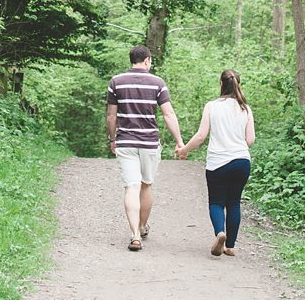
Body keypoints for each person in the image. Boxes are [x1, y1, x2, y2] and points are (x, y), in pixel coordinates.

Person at [106, 44, 184, 252]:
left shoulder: (116, 82)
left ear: (132, 60)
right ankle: (142, 225)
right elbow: (168, 114)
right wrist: (179, 141)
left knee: (131, 187)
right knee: (146, 185)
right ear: (147, 60)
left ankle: (135, 235)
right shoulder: (157, 83)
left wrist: (111, 139)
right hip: (149, 143)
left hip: (126, 142)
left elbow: (111, 115)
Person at [176, 69, 255, 257]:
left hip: (218, 162)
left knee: (217, 202)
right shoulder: (245, 108)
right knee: (234, 202)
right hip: (242, 161)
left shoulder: (212, 106)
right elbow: (250, 139)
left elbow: (201, 136)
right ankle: (230, 245)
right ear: (238, 84)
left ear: (221, 84)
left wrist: (183, 150)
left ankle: (220, 233)